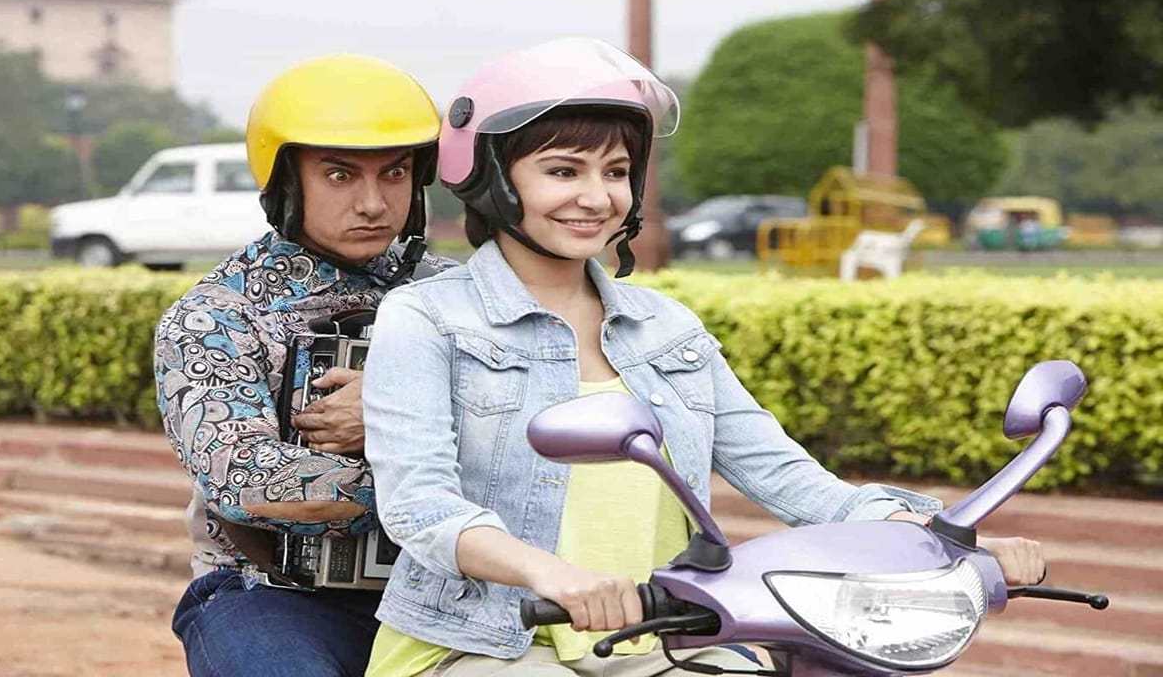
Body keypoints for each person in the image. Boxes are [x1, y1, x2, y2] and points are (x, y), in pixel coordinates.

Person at [360, 38, 1047, 676]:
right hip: (482, 642)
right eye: (563, 170)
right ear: (491, 179)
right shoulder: (427, 318)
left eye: (616, 171)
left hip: (653, 639)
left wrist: (940, 539)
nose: (597, 197)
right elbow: (420, 504)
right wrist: (551, 574)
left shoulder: (665, 328)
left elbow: (791, 479)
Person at [154, 54, 454, 677]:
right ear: (286, 182)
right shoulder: (215, 316)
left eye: (395, 173)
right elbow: (247, 481)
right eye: (340, 175)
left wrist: (391, 414)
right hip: (269, 594)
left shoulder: (457, 297)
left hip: (449, 590)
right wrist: (448, 486)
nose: (373, 203)